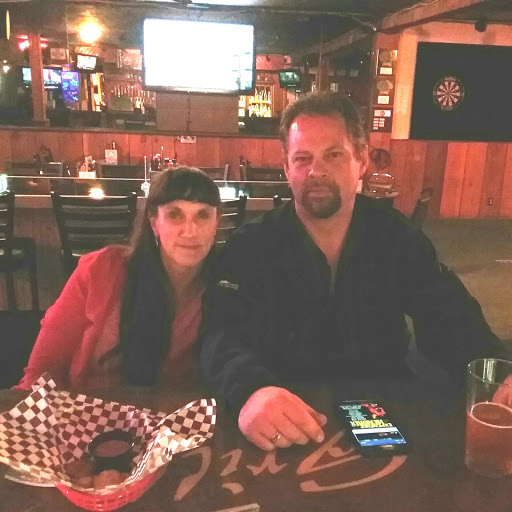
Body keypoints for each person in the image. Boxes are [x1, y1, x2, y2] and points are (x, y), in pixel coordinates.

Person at [199, 92, 510, 451]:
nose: (316, 171)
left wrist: (500, 374)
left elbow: (448, 317)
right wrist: (250, 390)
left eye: (333, 155)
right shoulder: (251, 244)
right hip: (283, 417)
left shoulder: (395, 236)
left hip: (384, 411)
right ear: (286, 168)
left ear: (361, 160)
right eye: (302, 158)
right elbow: (220, 334)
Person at [16, 167, 221, 390]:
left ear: (216, 223)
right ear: (154, 223)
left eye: (202, 215)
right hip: (89, 408)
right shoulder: (100, 270)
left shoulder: (226, 286)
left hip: (177, 412)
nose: (190, 231)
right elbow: (42, 370)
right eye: (175, 215)